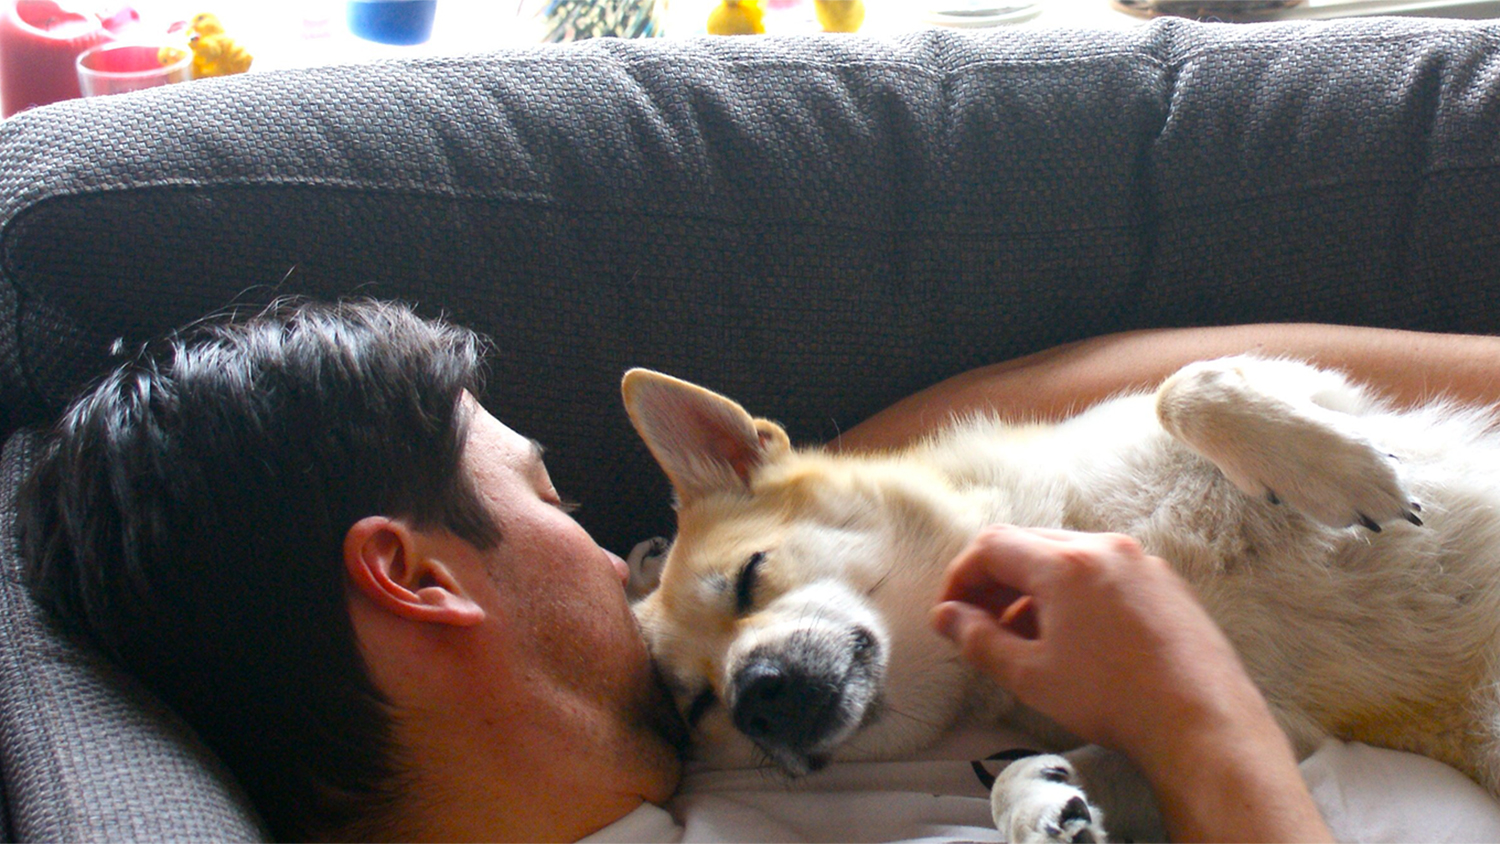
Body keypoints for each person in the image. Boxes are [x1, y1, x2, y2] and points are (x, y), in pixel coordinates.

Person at [17, 298, 1500, 842]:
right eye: (541, 495)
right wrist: (1179, 701)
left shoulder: (696, 727)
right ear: (417, 578)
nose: (612, 557)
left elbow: (1022, 423)